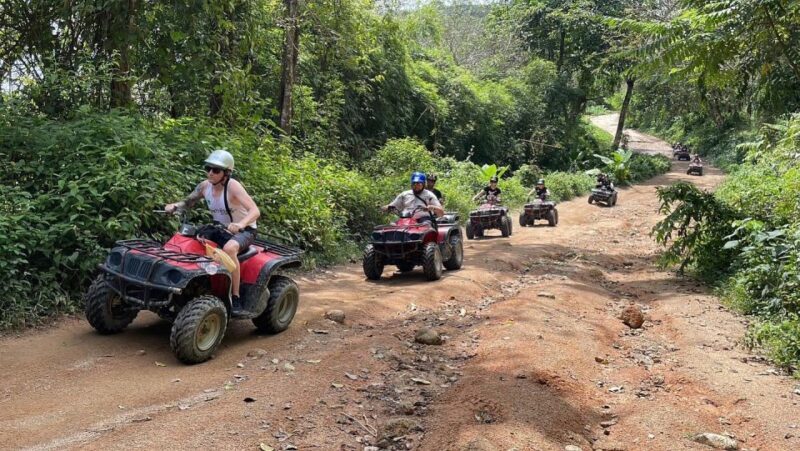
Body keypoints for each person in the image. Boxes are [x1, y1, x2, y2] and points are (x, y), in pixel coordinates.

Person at [165, 149, 260, 309]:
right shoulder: (204, 186)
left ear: (226, 173)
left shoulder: (233, 187)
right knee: (189, 238)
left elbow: (255, 211)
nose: (210, 173)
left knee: (230, 248)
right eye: (208, 168)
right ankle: (189, 284)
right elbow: (188, 202)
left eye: (216, 170)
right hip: (220, 228)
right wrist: (175, 206)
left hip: (245, 231)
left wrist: (241, 224)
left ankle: (234, 296)